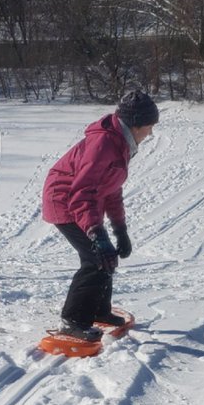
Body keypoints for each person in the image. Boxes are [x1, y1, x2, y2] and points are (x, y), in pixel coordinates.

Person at [42, 90, 158, 340]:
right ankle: (73, 320)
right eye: (149, 127)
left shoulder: (121, 143)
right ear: (136, 123)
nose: (150, 133)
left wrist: (120, 230)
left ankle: (99, 310)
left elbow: (111, 189)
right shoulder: (104, 144)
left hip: (80, 201)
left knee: (106, 258)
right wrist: (97, 233)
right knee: (94, 259)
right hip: (65, 202)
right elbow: (83, 193)